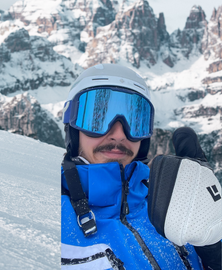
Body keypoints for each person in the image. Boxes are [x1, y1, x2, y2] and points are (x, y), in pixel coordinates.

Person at [61, 63, 221, 270]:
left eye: (135, 121)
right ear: (73, 129)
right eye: (97, 118)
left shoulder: (173, 199)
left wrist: (214, 245)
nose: (119, 133)